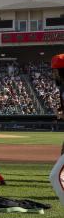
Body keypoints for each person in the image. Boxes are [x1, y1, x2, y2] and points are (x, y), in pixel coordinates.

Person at [50, 54, 64, 203]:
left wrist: (60, 115)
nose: (53, 73)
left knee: (55, 176)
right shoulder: (62, 87)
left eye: (55, 70)